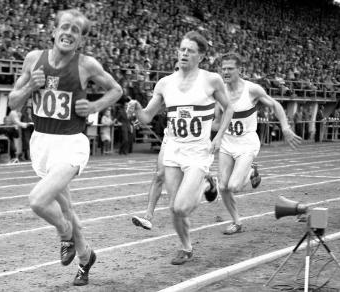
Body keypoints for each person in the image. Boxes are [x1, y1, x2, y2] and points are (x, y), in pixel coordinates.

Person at [7, 9, 122, 286]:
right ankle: (85, 258)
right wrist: (27, 89)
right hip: (43, 143)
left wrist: (94, 106)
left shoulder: (86, 65)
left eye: (76, 31)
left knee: (37, 200)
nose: (69, 33)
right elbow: (12, 101)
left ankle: (64, 234)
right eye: (65, 27)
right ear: (55, 30)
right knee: (68, 208)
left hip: (71, 144)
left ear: (81, 40)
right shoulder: (34, 59)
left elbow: (116, 89)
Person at [127, 31, 234, 265]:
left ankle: (208, 182)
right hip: (174, 150)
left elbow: (229, 108)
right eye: (182, 49)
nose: (184, 53)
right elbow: (146, 117)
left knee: (181, 206)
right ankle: (186, 248)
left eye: (191, 51)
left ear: (201, 56)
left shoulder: (211, 80)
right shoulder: (165, 83)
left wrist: (219, 137)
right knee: (174, 209)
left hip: (198, 152)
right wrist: (135, 108)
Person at [216, 53, 302, 235]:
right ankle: (236, 222)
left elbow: (275, 105)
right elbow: (217, 121)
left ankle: (252, 171)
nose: (226, 72)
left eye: (230, 68)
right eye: (223, 68)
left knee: (234, 187)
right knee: (222, 187)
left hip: (246, 142)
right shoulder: (220, 91)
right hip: (227, 142)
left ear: (240, 70)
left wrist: (285, 127)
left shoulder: (252, 89)